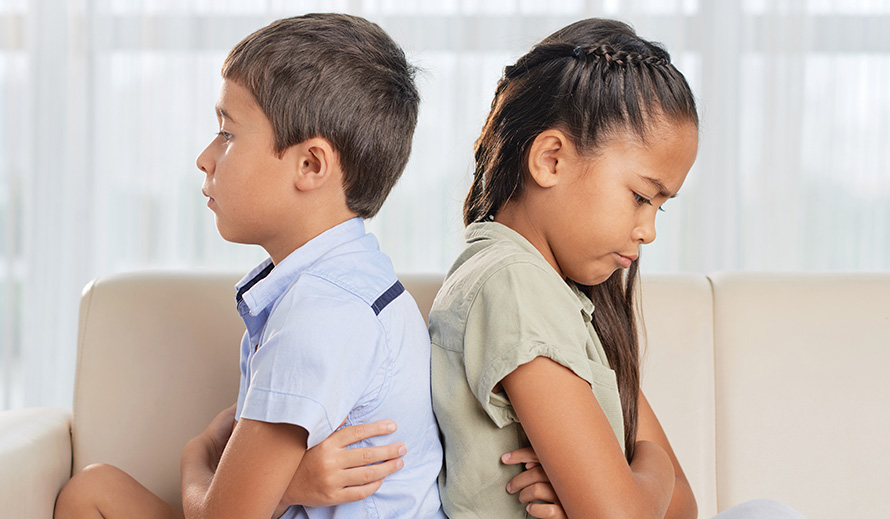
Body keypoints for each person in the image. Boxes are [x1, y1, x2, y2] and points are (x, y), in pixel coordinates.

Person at [54, 13, 445, 519]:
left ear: (310, 165)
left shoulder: (321, 315)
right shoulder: (349, 282)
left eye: (227, 134)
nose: (204, 157)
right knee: (93, 490)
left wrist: (194, 461)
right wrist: (286, 487)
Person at [429, 18, 804, 519]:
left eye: (659, 207)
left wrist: (634, 485)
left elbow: (684, 507)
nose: (649, 231)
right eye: (640, 197)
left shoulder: (564, 296)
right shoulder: (512, 283)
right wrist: (649, 473)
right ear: (551, 160)